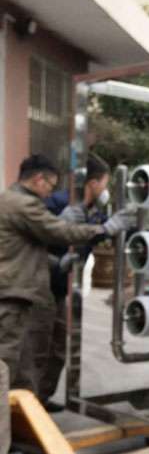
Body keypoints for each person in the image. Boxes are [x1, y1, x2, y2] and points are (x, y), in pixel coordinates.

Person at [0, 155, 135, 395]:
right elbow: (58, 233)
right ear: (39, 179)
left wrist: (56, 263)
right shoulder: (25, 204)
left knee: (41, 352)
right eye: (50, 185)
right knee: (15, 358)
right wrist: (104, 229)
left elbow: (24, 247)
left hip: (33, 288)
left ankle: (34, 405)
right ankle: (16, 413)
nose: (50, 192)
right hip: (16, 291)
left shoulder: (12, 200)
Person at [28, 154, 110, 412]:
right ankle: (23, 408)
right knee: (36, 348)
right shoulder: (54, 204)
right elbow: (32, 241)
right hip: (39, 286)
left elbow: (97, 235)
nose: (105, 189)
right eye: (105, 183)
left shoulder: (94, 210)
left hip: (61, 288)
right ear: (93, 183)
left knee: (58, 348)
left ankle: (40, 400)